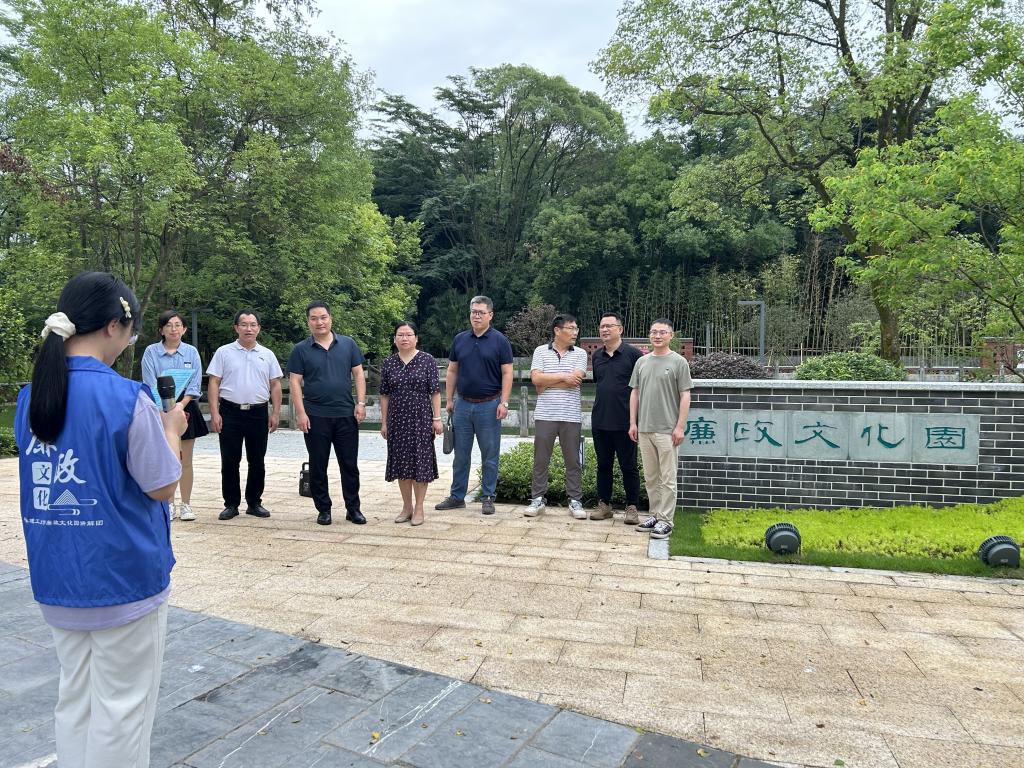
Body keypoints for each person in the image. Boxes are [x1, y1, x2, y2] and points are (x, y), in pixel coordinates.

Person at [15, 271, 185, 768]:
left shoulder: (30, 397)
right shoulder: (126, 397)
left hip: (58, 578)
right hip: (123, 578)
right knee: (122, 709)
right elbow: (162, 486)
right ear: (114, 325)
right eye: (130, 333)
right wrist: (172, 430)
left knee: (76, 701)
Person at [287, 301, 367, 526]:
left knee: (349, 465)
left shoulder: (348, 344)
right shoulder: (301, 349)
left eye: (323, 317)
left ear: (330, 318)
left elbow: (358, 374)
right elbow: (295, 382)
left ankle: (353, 508)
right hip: (315, 416)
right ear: (308, 322)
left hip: (345, 414)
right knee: (318, 465)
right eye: (314, 318)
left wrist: (361, 403)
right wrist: (301, 413)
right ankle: (323, 509)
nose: (319, 322)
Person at [434, 295, 514, 516]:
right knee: (461, 455)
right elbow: (452, 370)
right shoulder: (460, 339)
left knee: (490, 455)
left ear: (490, 315)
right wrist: (449, 399)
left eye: (481, 312)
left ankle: (488, 496)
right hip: (462, 404)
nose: (476, 316)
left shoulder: (500, 341)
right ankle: (457, 496)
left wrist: (504, 402)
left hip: (490, 405)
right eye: (473, 312)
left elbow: (507, 373)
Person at [206, 310, 282, 521]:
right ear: (236, 328)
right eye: (244, 324)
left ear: (259, 328)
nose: (249, 328)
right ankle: (231, 504)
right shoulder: (224, 352)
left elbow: (275, 385)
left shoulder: (267, 354)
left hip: (258, 412)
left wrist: (275, 412)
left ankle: (254, 502)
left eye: (253, 324)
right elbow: (214, 382)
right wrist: (215, 412)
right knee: (230, 460)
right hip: (230, 411)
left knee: (257, 460)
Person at [140, 310, 209, 522]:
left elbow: (195, 385)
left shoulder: (191, 352)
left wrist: (180, 405)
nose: (174, 329)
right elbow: (149, 383)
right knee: (166, 458)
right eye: (169, 325)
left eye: (178, 325)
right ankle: (167, 504)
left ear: (184, 329)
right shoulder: (151, 352)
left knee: (185, 460)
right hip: (158, 409)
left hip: (185, 407)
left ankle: (186, 504)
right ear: (161, 330)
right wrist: (164, 409)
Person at [628, 318, 692, 540]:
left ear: (671, 336)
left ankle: (666, 520)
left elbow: (685, 395)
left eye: (662, 332)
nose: (657, 336)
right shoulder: (642, 362)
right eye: (654, 332)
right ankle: (654, 515)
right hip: (644, 428)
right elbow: (635, 392)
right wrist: (633, 422)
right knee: (651, 477)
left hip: (667, 430)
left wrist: (680, 427)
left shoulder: (679, 362)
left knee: (668, 477)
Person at [523, 314, 589, 519]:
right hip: (545, 414)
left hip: (571, 415)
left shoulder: (580, 353)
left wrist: (546, 382)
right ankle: (537, 498)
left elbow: (576, 380)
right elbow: (536, 379)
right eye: (571, 328)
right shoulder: (540, 351)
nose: (575, 332)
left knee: (573, 461)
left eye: (576, 328)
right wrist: (562, 377)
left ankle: (575, 500)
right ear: (557, 331)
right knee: (541, 459)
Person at [379, 321, 444, 525]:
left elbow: (435, 392)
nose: (404, 338)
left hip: (421, 419)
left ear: (416, 338)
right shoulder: (389, 363)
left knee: (420, 463)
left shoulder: (427, 360)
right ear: (394, 339)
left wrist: (437, 418)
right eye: (400, 335)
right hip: (397, 420)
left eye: (408, 334)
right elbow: (384, 395)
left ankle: (419, 508)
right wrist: (384, 422)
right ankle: (407, 507)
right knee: (401, 464)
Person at [591, 312, 643, 525]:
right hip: (600, 420)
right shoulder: (597, 356)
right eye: (602, 326)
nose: (604, 330)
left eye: (609, 326)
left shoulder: (634, 355)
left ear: (620, 329)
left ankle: (632, 507)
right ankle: (604, 505)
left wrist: (635, 421)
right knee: (603, 465)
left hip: (626, 422)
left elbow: (640, 389)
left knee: (629, 466)